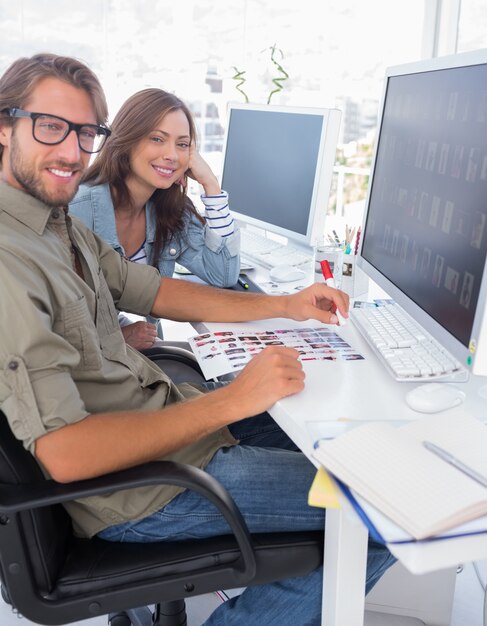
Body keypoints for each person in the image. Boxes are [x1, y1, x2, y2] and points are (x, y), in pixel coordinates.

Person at [0, 53, 395, 625]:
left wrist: (284, 306)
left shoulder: (54, 223)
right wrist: (231, 401)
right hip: (140, 492)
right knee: (384, 508)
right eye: (50, 126)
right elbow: (65, 455)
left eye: (85, 132)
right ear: (4, 127)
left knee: (338, 439)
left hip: (166, 425)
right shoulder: (11, 261)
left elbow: (159, 292)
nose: (70, 150)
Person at [69, 87, 239, 350]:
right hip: (86, 370)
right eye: (157, 139)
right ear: (127, 140)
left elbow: (224, 274)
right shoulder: (76, 210)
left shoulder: (170, 210)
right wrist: (120, 336)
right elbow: (53, 322)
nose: (172, 155)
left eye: (182, 144)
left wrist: (211, 186)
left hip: (138, 354)